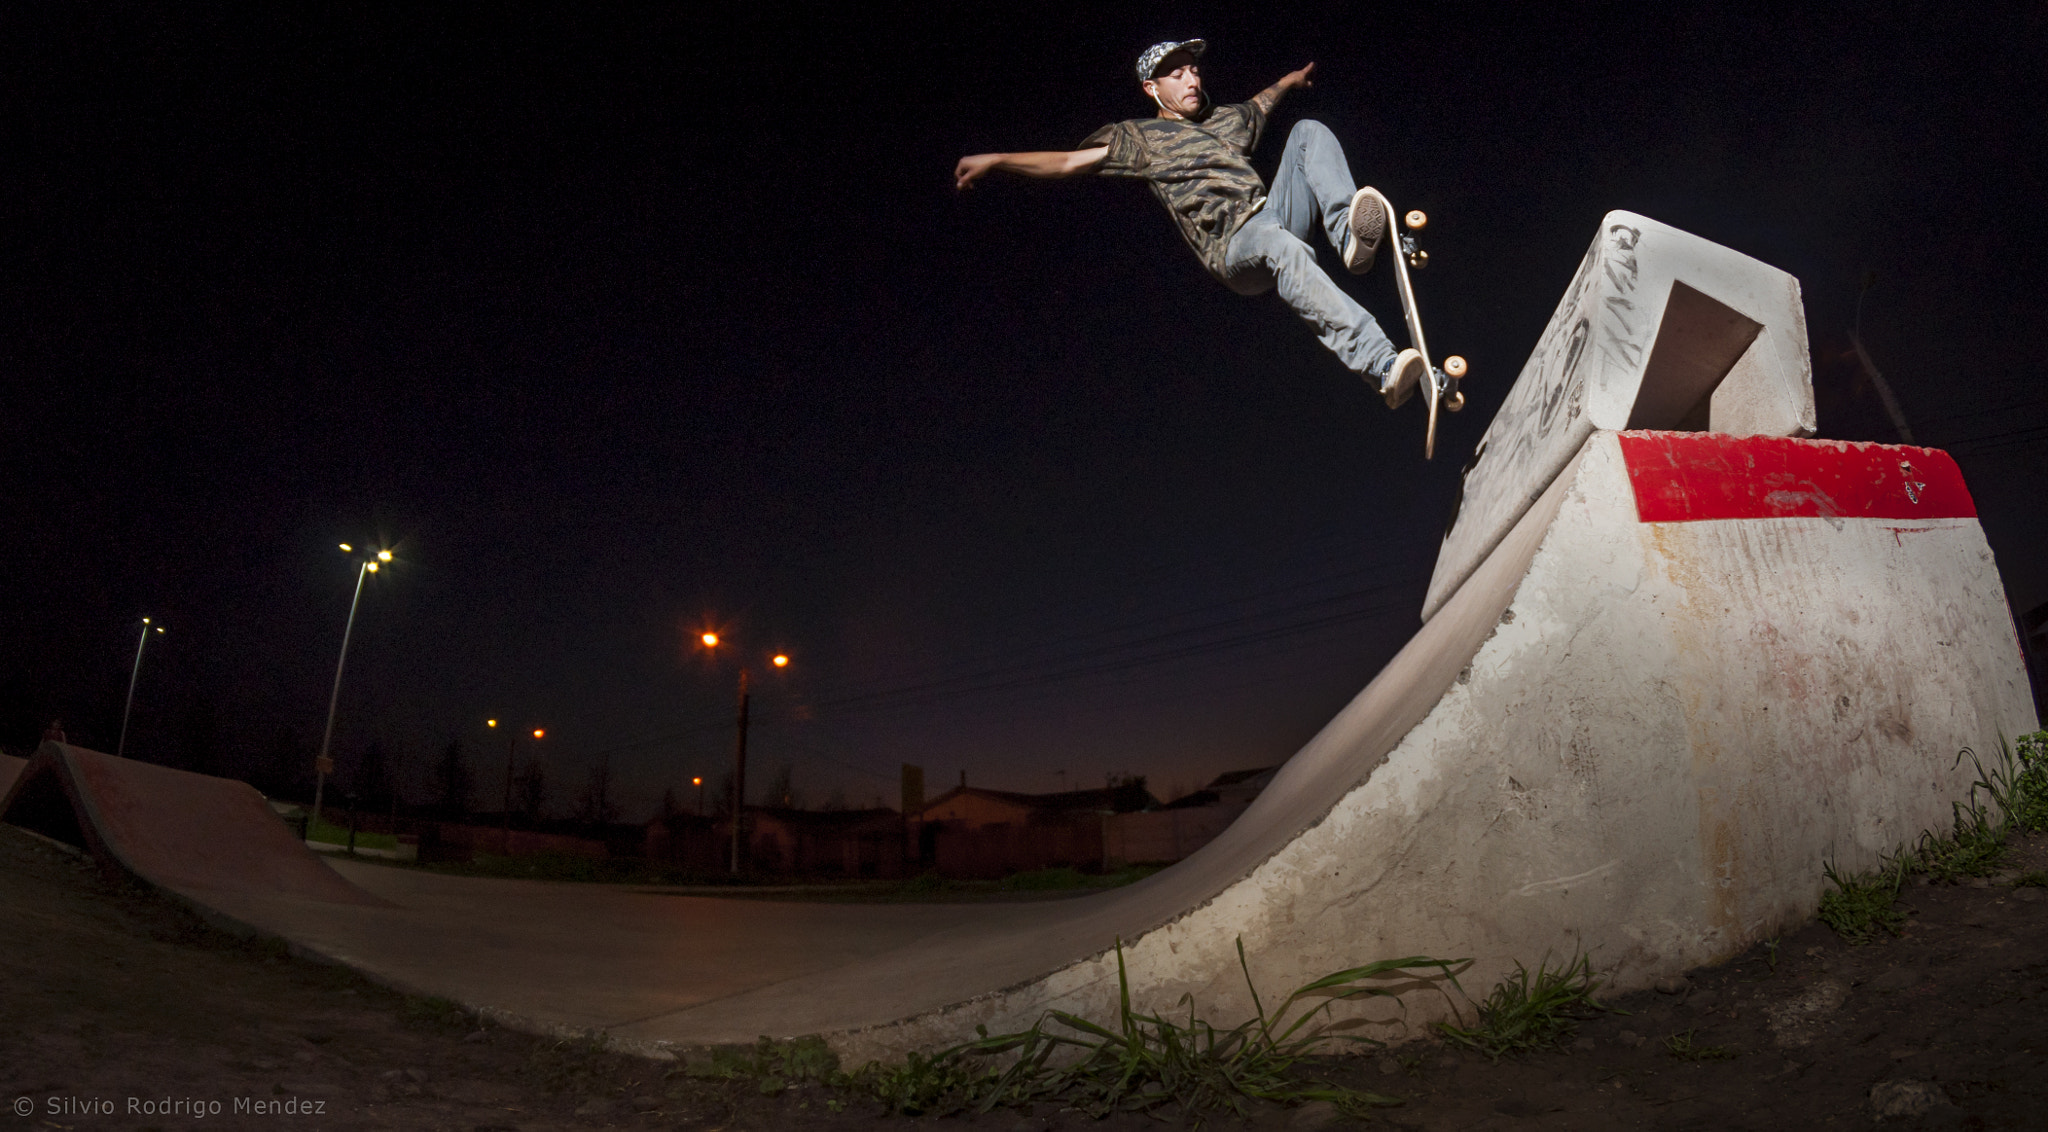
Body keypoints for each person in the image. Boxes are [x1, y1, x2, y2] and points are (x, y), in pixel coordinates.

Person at [954, 38, 1426, 408]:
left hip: (1273, 215)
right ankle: (1382, 367)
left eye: (1194, 70)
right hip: (1233, 248)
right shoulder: (1138, 138)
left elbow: (1261, 104)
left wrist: (1288, 81)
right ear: (1152, 89)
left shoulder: (1225, 120)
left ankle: (1349, 238)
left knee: (1307, 134)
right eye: (1177, 75)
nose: (1191, 79)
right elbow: (1066, 164)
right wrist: (998, 159)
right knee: (1280, 246)